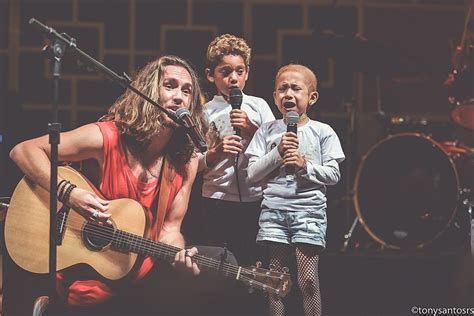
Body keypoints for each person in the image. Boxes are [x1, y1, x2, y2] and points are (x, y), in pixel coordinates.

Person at [8, 55, 219, 315]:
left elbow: (169, 229)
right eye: (170, 86)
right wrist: (70, 193)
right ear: (150, 91)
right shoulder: (108, 136)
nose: (179, 97)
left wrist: (179, 257)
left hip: (139, 277)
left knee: (214, 274)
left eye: (187, 91)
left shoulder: (186, 163)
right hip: (86, 270)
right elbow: (24, 151)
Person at [246, 64, 345, 316]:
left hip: (308, 213)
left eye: (295, 88)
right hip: (274, 212)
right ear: (274, 97)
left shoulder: (323, 132)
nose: (288, 94)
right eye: (282, 89)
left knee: (308, 279)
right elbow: (252, 174)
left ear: (311, 97)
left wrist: (305, 166)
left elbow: (333, 175)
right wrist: (278, 152)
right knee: (275, 280)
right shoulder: (266, 131)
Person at [197, 33, 275, 267]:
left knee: (254, 262)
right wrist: (216, 152)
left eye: (239, 71)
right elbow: (192, 162)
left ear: (247, 73)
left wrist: (252, 128)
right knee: (221, 264)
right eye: (225, 72)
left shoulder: (258, 106)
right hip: (216, 198)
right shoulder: (204, 112)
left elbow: (276, 151)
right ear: (210, 75)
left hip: (255, 198)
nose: (234, 78)